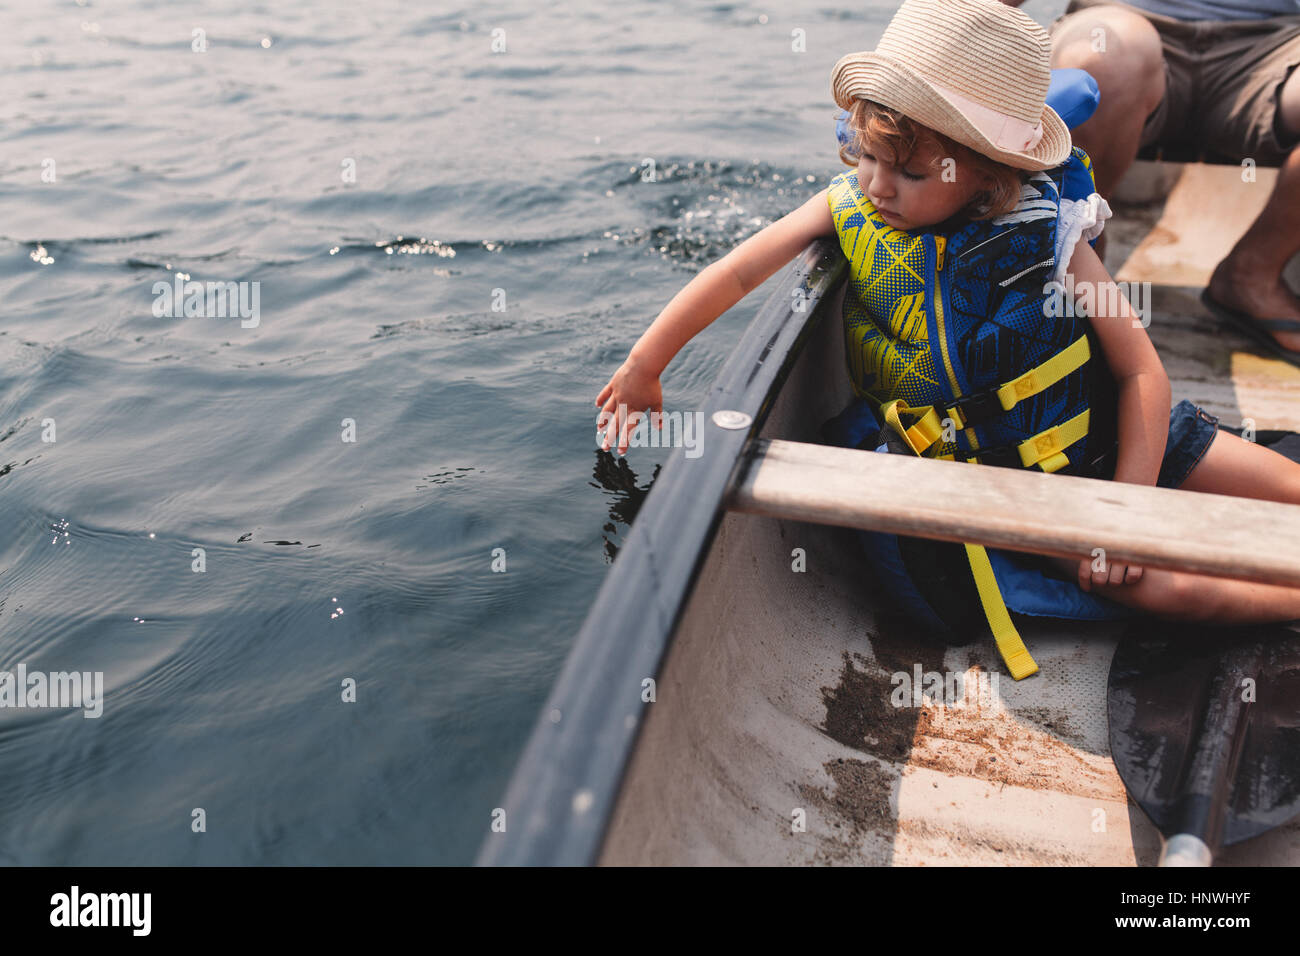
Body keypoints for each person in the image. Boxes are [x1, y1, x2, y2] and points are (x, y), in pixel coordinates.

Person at [594, 0, 1300, 666]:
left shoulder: (1050, 229)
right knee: (1164, 588)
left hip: (1130, 434)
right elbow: (736, 274)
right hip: (1030, 487)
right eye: (866, 155)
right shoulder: (848, 206)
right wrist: (645, 363)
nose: (877, 186)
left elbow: (1142, 374)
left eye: (909, 170)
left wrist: (1128, 503)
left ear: (989, 171)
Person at [1031, 0, 1300, 363]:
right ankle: (1083, 259)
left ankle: (1253, 273)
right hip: (1121, 25)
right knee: (1102, 60)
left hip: (1271, 43)